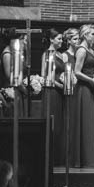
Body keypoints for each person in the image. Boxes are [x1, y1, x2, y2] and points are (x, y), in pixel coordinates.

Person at [71, 24, 94, 167]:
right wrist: (92, 80)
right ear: (85, 35)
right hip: (83, 89)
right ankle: (83, 159)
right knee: (86, 121)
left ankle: (90, 158)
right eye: (92, 34)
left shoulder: (90, 49)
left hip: (91, 87)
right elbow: (76, 72)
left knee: (90, 121)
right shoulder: (82, 50)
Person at [40, 28, 66, 166]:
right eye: (59, 39)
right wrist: (60, 86)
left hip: (61, 91)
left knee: (61, 125)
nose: (62, 41)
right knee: (53, 123)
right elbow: (46, 76)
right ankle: (51, 158)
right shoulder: (47, 54)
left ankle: (60, 157)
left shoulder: (60, 54)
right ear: (51, 39)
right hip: (52, 91)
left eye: (62, 39)